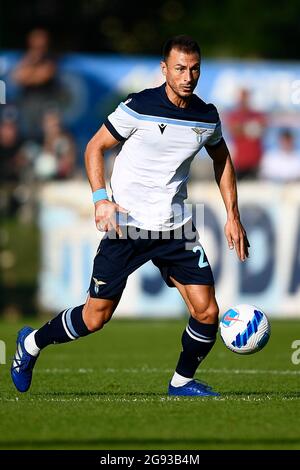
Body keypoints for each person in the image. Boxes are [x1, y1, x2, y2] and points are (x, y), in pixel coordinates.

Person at [11, 35, 249, 397]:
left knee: (207, 312)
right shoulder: (138, 106)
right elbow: (95, 147)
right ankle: (31, 345)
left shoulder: (206, 116)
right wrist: (100, 200)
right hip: (127, 227)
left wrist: (233, 215)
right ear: (164, 69)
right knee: (95, 318)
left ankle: (181, 382)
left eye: (195, 68)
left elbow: (222, 159)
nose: (188, 76)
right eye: (180, 68)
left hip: (176, 229)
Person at [12, 29, 58, 140]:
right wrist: (31, 61)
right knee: (26, 134)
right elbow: (17, 77)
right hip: (27, 104)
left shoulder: (50, 58)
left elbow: (43, 76)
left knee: (51, 131)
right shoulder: (26, 58)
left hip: (46, 104)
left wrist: (28, 75)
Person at [226, 88, 266, 180]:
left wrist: (242, 128)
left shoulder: (257, 114)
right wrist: (249, 127)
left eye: (246, 97)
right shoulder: (234, 115)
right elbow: (234, 130)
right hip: (239, 162)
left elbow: (262, 128)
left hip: (255, 160)